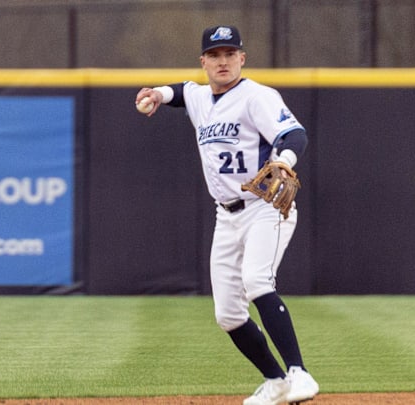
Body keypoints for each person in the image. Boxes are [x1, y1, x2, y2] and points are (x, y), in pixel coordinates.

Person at [134, 25, 319, 405]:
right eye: (215, 55)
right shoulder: (201, 97)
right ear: (204, 61)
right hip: (227, 216)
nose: (223, 61)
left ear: (242, 58)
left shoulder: (258, 97)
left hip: (264, 207)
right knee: (229, 315)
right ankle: (276, 381)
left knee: (257, 280)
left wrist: (283, 161)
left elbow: (294, 134)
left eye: (230, 54)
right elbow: (182, 92)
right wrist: (157, 93)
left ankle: (300, 374)